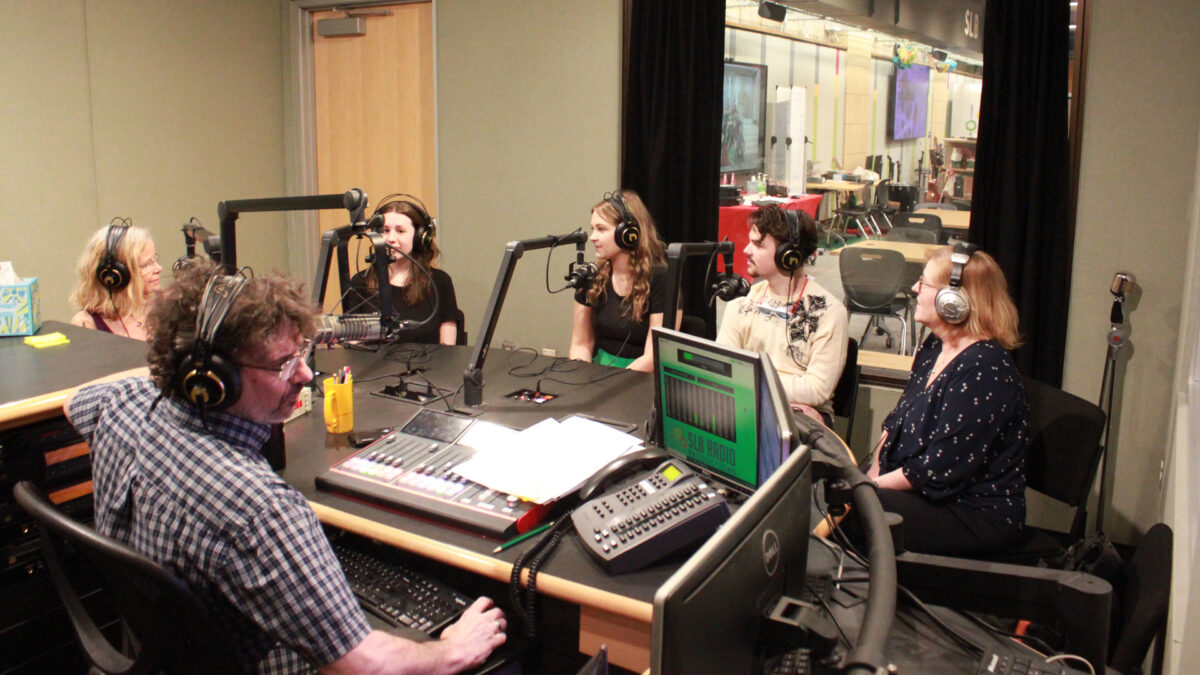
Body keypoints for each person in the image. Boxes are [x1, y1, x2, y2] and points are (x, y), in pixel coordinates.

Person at [63, 260, 505, 674]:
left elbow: (71, 402)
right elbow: (363, 664)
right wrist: (451, 650)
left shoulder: (122, 408)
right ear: (218, 380)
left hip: (159, 655)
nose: (305, 375)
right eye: (283, 364)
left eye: (301, 354)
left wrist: (179, 367)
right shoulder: (261, 510)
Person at [863, 243, 1029, 556]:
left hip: (974, 513)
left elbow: (937, 471)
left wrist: (866, 489)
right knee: (843, 498)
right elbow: (896, 424)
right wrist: (871, 474)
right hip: (928, 494)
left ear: (953, 300)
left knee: (850, 507)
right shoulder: (934, 349)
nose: (913, 289)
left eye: (923, 283)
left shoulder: (985, 367)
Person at [716, 205, 847, 426]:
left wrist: (747, 380)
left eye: (758, 245)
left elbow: (816, 390)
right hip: (747, 406)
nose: (746, 250)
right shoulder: (741, 304)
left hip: (801, 418)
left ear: (788, 255)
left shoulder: (829, 312)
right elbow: (722, 368)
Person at [569, 190, 670, 372]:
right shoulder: (590, 276)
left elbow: (654, 356)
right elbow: (581, 344)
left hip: (640, 378)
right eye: (593, 229)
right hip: (597, 373)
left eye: (601, 229)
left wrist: (614, 385)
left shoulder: (662, 279)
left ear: (628, 233)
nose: (592, 237)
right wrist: (582, 379)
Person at [346, 198, 459, 345]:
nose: (391, 238)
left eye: (400, 231)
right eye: (385, 231)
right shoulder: (360, 282)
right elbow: (350, 344)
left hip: (426, 366)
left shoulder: (440, 282)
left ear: (420, 237)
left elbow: (448, 348)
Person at [69, 222, 163, 340]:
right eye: (146, 264)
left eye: (154, 260)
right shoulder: (86, 324)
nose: (158, 269)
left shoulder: (167, 310)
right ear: (116, 275)